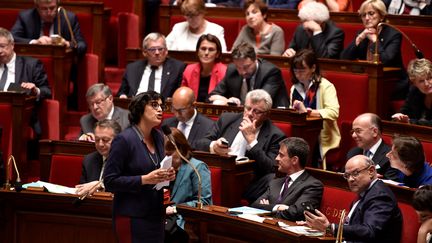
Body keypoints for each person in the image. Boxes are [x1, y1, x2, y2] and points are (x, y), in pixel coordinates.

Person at [103, 91, 176, 243]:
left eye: (161, 106)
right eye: (154, 105)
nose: (160, 110)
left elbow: (156, 170)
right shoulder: (124, 140)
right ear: (140, 109)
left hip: (156, 215)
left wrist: (167, 176)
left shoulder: (158, 136)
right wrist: (143, 179)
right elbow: (109, 181)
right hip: (131, 216)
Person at [197, 89, 286, 203]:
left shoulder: (276, 135)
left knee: (271, 179)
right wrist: (214, 146)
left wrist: (252, 141)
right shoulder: (227, 119)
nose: (250, 114)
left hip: (248, 184)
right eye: (248, 108)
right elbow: (200, 143)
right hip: (218, 175)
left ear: (267, 114)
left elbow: (270, 168)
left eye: (256, 111)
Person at [304, 155, 402, 243]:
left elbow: (369, 231)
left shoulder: (380, 196)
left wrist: (331, 228)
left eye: (355, 173)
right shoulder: (366, 192)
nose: (350, 179)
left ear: (371, 171)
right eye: (347, 175)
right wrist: (321, 226)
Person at [340, 0, 408, 100]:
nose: (367, 18)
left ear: (382, 16)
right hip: (368, 81)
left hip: (391, 84)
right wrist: (358, 39)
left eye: (371, 14)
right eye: (363, 15)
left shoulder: (393, 34)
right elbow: (343, 59)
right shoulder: (362, 33)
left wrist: (375, 41)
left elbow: (386, 61)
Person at [289, 49, 340, 169]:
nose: (298, 74)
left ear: (313, 68)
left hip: (321, 137)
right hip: (300, 135)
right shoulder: (294, 88)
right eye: (295, 70)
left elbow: (333, 112)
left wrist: (309, 112)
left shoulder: (325, 86)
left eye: (302, 70)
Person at [251, 137, 323, 221]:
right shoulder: (274, 183)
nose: (276, 158)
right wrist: (277, 207)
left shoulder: (312, 185)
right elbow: (254, 206)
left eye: (281, 155)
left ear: (294, 160)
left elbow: (297, 213)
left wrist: (267, 207)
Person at [0, 27, 51, 137]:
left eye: (2, 46)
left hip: (21, 117)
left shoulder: (31, 65)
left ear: (12, 45)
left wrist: (35, 90)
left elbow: (47, 91)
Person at [164, 127, 212, 243]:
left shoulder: (197, 168)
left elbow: (205, 201)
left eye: (169, 154)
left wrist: (175, 208)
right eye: (164, 154)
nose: (166, 158)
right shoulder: (161, 167)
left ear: (181, 149)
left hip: (181, 220)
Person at [209, 42, 289, 108]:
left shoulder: (271, 72)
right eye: (238, 67)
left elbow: (261, 102)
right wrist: (226, 101)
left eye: (246, 67)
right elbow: (211, 96)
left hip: (272, 116)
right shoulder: (232, 70)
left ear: (255, 59)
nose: (242, 72)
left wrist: (236, 104)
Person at [117, 32, 186, 99]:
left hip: (162, 108)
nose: (157, 53)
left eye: (160, 49)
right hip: (136, 108)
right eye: (152, 49)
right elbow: (122, 92)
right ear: (144, 52)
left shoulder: (177, 68)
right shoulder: (132, 68)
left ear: (166, 51)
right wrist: (122, 96)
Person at [11, 0, 87, 56]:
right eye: (44, 9)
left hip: (61, 64)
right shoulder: (26, 17)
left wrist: (67, 44)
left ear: (57, 5)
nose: (49, 12)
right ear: (37, 7)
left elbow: (82, 45)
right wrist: (35, 42)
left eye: (52, 8)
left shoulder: (69, 18)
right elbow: (11, 38)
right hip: (32, 64)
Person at [347, 113, 401, 181]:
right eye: (353, 131)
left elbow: (392, 186)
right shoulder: (353, 153)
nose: (353, 135)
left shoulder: (390, 156)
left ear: (374, 132)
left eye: (358, 131)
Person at [75, 119, 121, 196]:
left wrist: (101, 184)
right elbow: (83, 188)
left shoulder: (128, 159)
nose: (100, 144)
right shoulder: (89, 160)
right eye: (97, 140)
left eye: (105, 140)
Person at [181, 34, 227, 102]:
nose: (206, 53)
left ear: (217, 54)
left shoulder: (224, 71)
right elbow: (183, 96)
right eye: (203, 49)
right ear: (198, 52)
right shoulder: (189, 70)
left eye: (211, 49)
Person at [392, 58, 432, 126]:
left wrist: (410, 121)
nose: (427, 83)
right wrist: (400, 117)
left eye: (429, 78)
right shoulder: (414, 91)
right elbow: (404, 111)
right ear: (414, 83)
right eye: (421, 81)